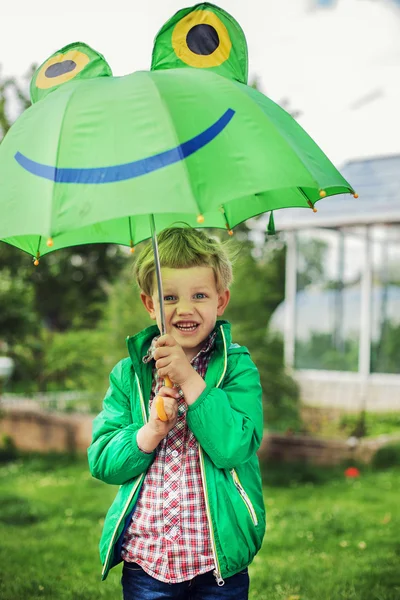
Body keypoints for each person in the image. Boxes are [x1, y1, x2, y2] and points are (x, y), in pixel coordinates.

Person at [88, 226, 265, 600]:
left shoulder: (237, 367)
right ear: (149, 305)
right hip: (147, 562)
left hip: (216, 563)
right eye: (169, 297)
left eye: (199, 295)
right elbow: (103, 460)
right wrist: (151, 430)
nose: (185, 309)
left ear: (221, 301)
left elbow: (235, 446)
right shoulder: (129, 374)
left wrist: (189, 378)